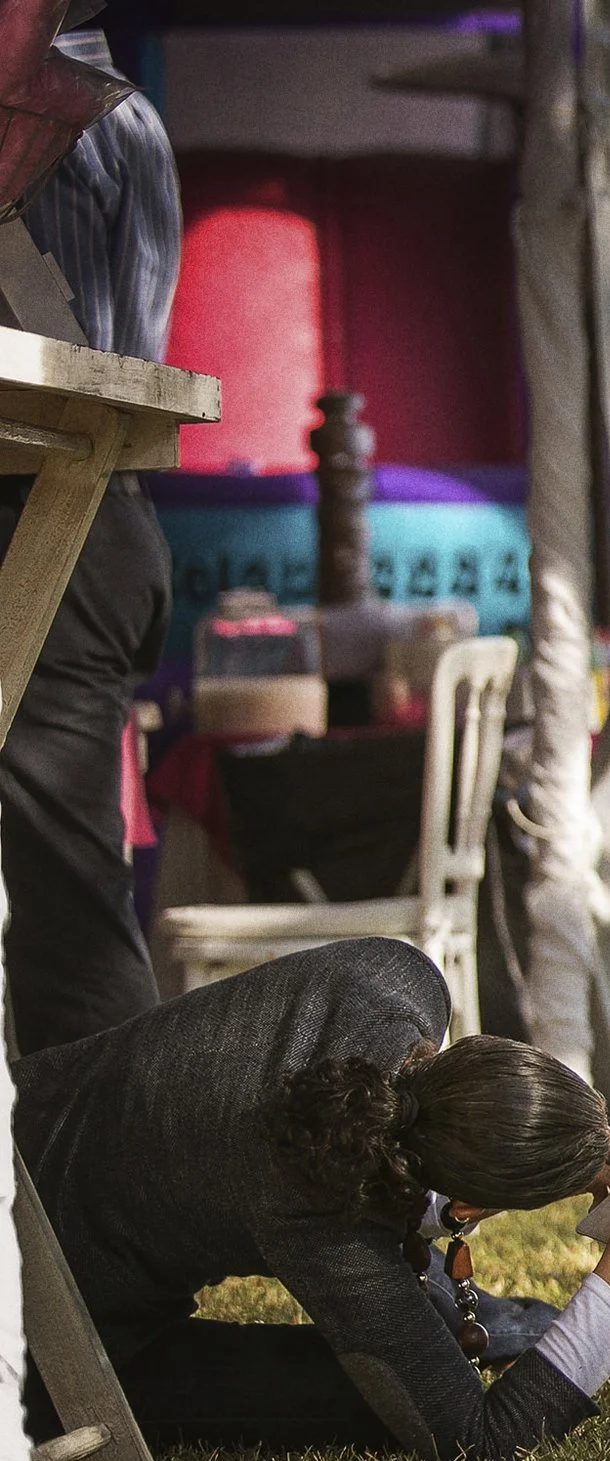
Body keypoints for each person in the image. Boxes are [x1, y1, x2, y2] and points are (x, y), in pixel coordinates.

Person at [13, 937, 610, 1461]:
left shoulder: (396, 977)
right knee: (376, 1397)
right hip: (40, 1327)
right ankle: (535, 1333)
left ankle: (525, 1330)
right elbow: (479, 1439)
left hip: (23, 1115)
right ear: (467, 1212)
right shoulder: (324, 1219)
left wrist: (587, 1149)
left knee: (422, 1349)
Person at [0, 15, 182, 1052]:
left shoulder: (96, 122)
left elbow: (122, 379)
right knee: (64, 884)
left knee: (64, 899)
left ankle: (104, 1187)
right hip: (93, 516)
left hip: (54, 514)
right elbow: (141, 352)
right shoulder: (135, 125)